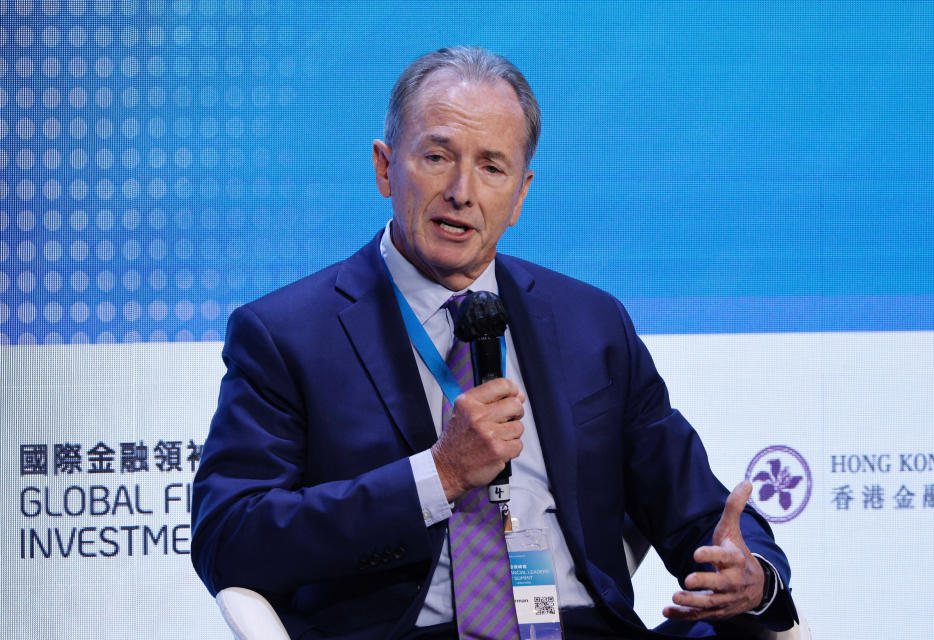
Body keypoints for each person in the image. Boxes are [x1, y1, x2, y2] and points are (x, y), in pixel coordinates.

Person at [191, 46, 798, 639]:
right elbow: (230, 539)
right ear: (384, 167)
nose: (461, 190)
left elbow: (695, 506)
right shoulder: (287, 333)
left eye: (491, 166)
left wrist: (756, 577)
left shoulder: (591, 322)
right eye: (436, 156)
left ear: (520, 194)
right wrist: (439, 475)